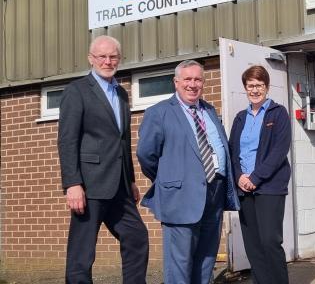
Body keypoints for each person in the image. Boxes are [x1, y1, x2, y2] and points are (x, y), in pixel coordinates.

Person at [137, 60, 239, 284]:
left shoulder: (210, 111)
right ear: (176, 82)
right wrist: (170, 179)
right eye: (187, 79)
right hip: (180, 197)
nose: (193, 84)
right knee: (179, 266)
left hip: (214, 194)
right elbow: (146, 155)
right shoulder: (159, 112)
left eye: (198, 79)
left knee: (206, 261)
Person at [57, 35, 149, 284]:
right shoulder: (76, 91)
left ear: (119, 59)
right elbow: (67, 140)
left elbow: (123, 139)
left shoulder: (121, 93)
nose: (108, 61)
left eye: (113, 57)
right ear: (91, 59)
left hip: (119, 184)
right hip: (89, 184)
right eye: (102, 56)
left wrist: (130, 179)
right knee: (82, 252)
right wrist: (72, 183)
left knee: (137, 236)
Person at [228, 65, 292, 284]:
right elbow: (232, 151)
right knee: (253, 245)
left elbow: (279, 150)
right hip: (244, 187)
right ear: (245, 88)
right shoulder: (240, 118)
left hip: (270, 187)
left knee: (269, 241)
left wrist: (255, 178)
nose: (255, 90)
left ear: (267, 87)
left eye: (259, 85)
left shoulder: (278, 113)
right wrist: (239, 177)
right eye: (250, 85)